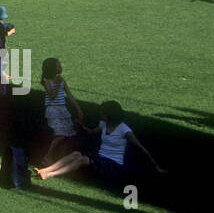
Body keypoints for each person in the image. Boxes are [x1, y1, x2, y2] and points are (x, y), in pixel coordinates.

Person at [33, 101, 166, 184]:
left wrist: (156, 167)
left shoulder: (124, 130)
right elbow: (91, 132)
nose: (101, 115)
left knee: (82, 160)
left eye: (103, 113)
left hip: (113, 165)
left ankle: (50, 174)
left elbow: (141, 148)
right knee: (76, 154)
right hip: (100, 158)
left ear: (109, 115)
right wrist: (81, 126)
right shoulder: (103, 125)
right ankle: (45, 170)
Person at [40, 58, 84, 165]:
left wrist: (79, 109)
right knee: (61, 135)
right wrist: (58, 84)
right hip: (53, 110)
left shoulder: (62, 80)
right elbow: (52, 96)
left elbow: (69, 95)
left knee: (66, 136)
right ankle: (47, 157)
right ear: (51, 69)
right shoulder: (47, 81)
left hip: (62, 110)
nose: (60, 67)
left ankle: (60, 159)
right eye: (58, 66)